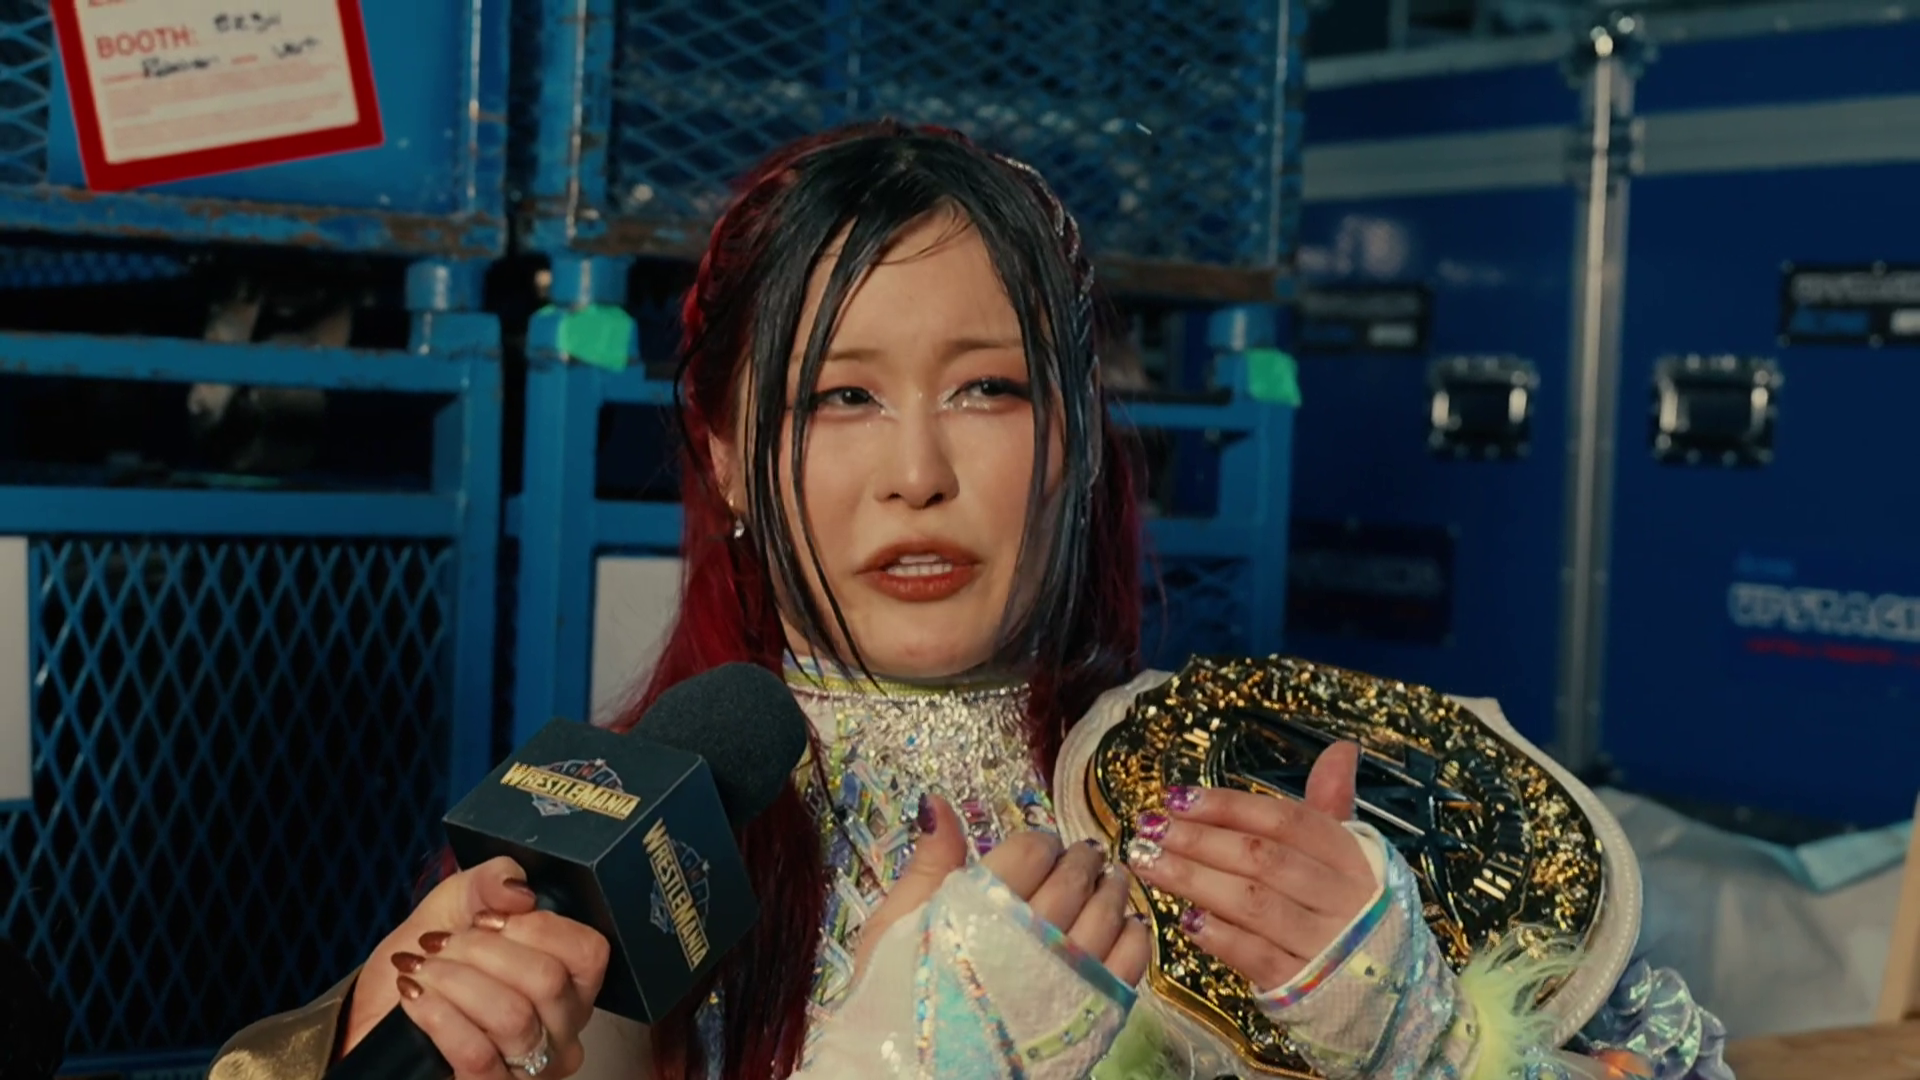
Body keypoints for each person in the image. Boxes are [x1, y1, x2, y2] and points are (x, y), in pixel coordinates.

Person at [211, 122, 1732, 1080]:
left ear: (1075, 440)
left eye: (988, 389)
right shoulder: (627, 850)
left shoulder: (1222, 786)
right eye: (839, 398)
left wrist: (1416, 1035)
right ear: (727, 455)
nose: (918, 474)